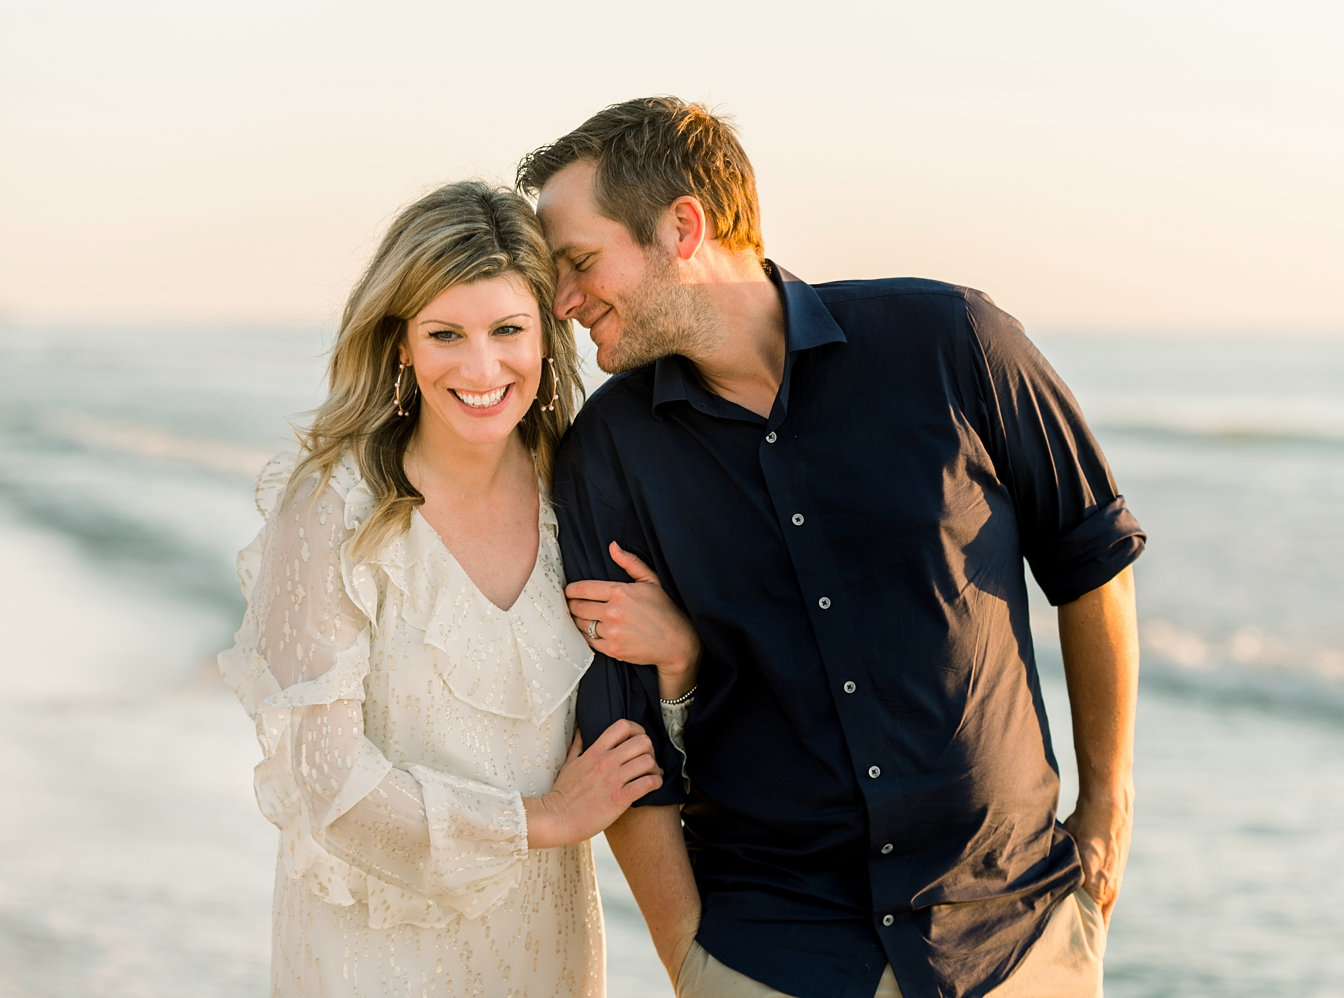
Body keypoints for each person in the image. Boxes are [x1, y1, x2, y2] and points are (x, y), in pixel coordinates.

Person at [516, 98, 1146, 998]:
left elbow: (1092, 562)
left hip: (1018, 939)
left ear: (682, 227)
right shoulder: (608, 453)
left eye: (580, 262)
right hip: (771, 954)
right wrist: (686, 953)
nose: (566, 302)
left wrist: (1107, 814)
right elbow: (622, 728)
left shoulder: (953, 342)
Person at [217, 180, 699, 996]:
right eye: (446, 334)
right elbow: (324, 779)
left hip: (545, 949)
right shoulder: (333, 509)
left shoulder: (581, 496)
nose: (483, 368)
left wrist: (681, 660)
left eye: (509, 329)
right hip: (373, 954)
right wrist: (543, 820)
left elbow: (661, 747)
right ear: (401, 342)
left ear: (547, 334)